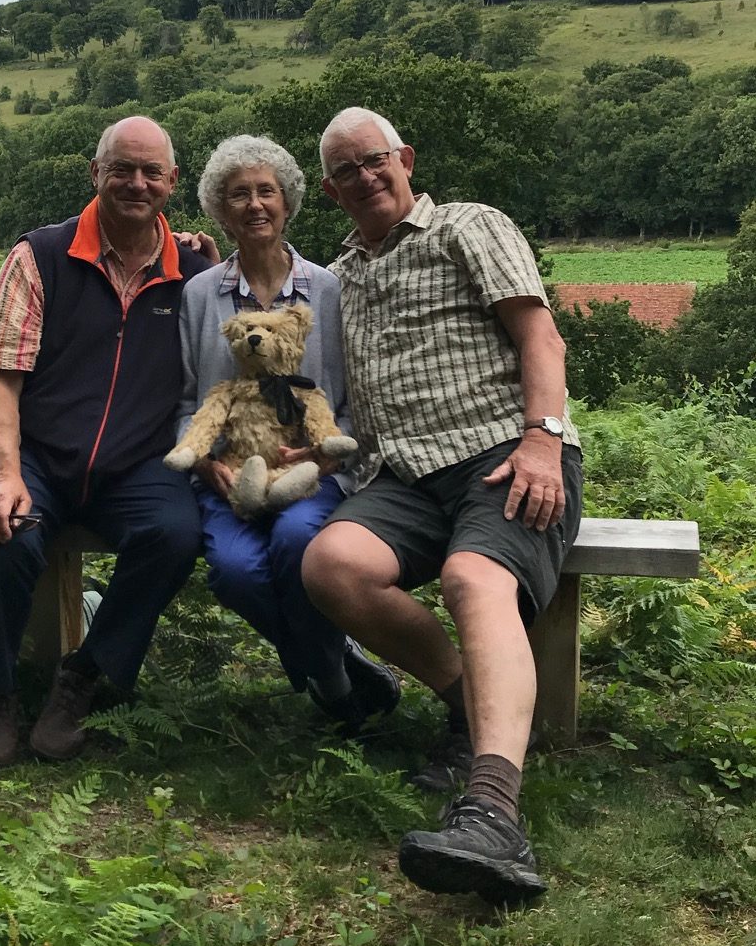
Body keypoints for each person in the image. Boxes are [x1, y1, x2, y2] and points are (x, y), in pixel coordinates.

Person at [301, 107, 583, 904]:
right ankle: (470, 704)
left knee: (472, 579)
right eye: (346, 170)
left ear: (405, 158)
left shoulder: (467, 226)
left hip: (504, 452)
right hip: (401, 476)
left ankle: (493, 809)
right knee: (332, 565)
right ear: (330, 189)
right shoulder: (342, 273)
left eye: (375, 159)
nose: (364, 176)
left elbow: (541, 338)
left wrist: (542, 440)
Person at [0, 116, 218, 767]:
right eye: (122, 169)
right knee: (5, 536)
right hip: (36, 454)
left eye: (151, 172)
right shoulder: (41, 255)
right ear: (95, 173)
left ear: (172, 182)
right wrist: (6, 476)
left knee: (175, 536)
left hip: (136, 464)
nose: (136, 183)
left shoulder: (193, 272)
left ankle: (82, 679)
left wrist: (213, 270)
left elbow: (241, 334)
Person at [176, 136, 400, 721]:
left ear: (287, 202)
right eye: (238, 194)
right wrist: (204, 460)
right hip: (231, 476)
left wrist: (328, 454)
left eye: (266, 192)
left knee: (299, 542)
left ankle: (331, 687)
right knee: (232, 572)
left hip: (313, 474)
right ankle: (334, 665)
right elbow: (184, 399)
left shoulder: (329, 289)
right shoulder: (199, 295)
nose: (254, 205)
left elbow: (353, 397)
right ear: (219, 210)